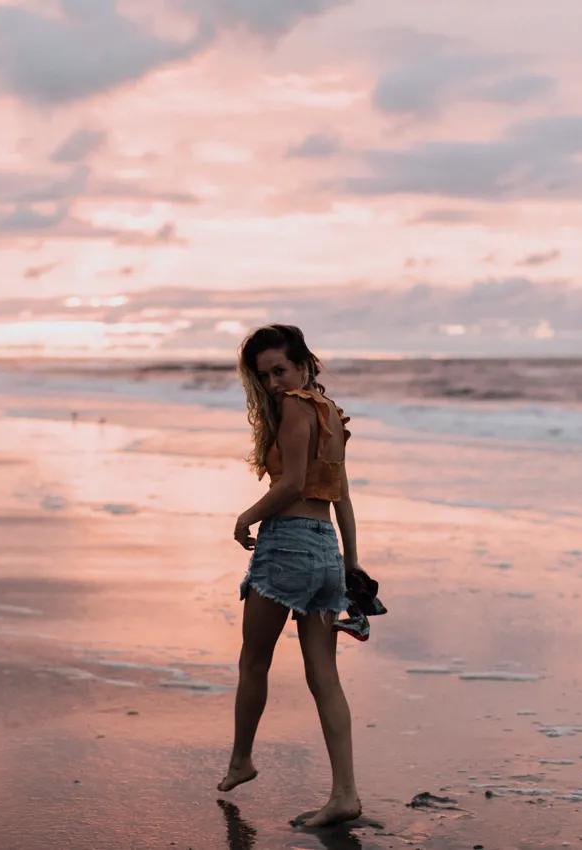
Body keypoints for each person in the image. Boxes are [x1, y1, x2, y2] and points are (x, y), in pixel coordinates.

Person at [218, 323, 362, 829]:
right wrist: (350, 564)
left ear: (304, 365)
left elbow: (294, 484)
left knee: (253, 660)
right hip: (324, 552)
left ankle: (241, 760)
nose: (274, 382)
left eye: (281, 370)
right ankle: (344, 793)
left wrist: (245, 517)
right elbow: (341, 495)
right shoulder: (332, 415)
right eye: (265, 376)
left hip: (288, 549)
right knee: (324, 677)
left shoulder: (297, 408)